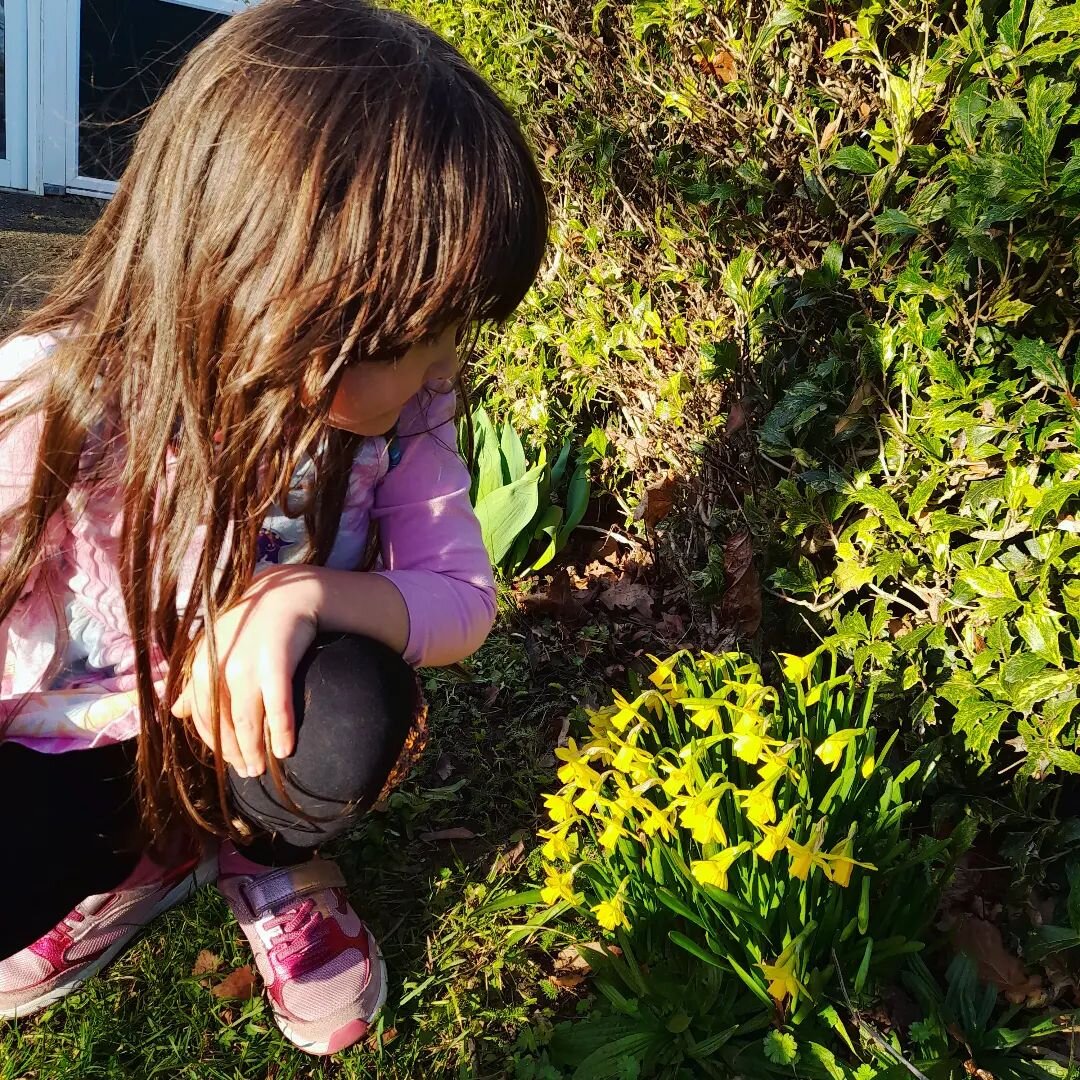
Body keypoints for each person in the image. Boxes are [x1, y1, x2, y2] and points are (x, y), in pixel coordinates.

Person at [0, 0, 546, 1057]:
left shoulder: (399, 427)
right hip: (69, 745)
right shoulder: (54, 410)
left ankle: (260, 848)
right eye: (423, 337)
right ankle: (132, 867)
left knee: (347, 706)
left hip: (239, 736)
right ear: (286, 301)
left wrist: (303, 594)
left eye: (457, 332)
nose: (447, 369)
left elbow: (463, 601)